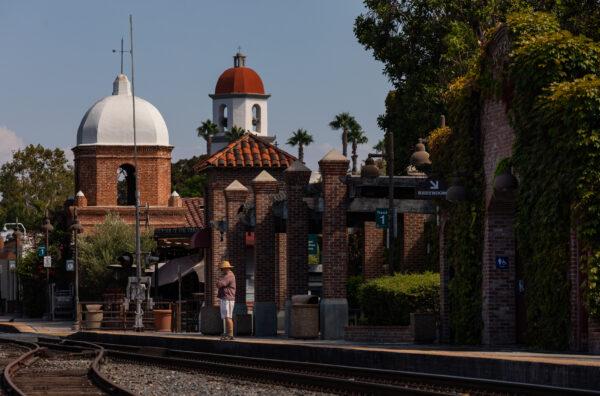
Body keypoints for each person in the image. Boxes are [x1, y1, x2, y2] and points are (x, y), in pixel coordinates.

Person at [217, 260, 236, 340]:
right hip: (225, 297)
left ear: (226, 268)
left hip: (228, 298)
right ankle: (228, 333)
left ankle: (230, 334)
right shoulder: (228, 275)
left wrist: (218, 281)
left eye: (222, 269)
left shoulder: (228, 275)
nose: (221, 270)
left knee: (228, 316)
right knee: (226, 316)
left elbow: (220, 284)